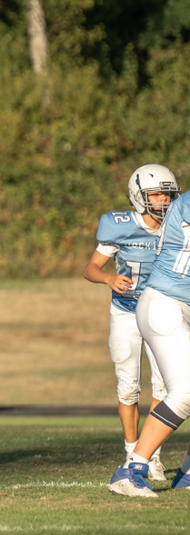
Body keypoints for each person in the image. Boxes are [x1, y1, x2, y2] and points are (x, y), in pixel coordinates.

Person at [84, 164, 174, 481]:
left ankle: (152, 457)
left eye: (167, 194)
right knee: (129, 387)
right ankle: (131, 452)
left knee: (164, 386)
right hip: (125, 311)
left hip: (163, 312)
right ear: (139, 196)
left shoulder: (178, 224)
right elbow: (91, 268)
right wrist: (109, 278)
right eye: (156, 194)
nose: (163, 201)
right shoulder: (118, 225)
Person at [108, 168, 190, 497]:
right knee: (185, 391)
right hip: (165, 303)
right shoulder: (186, 204)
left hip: (179, 305)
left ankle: (186, 473)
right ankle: (132, 469)